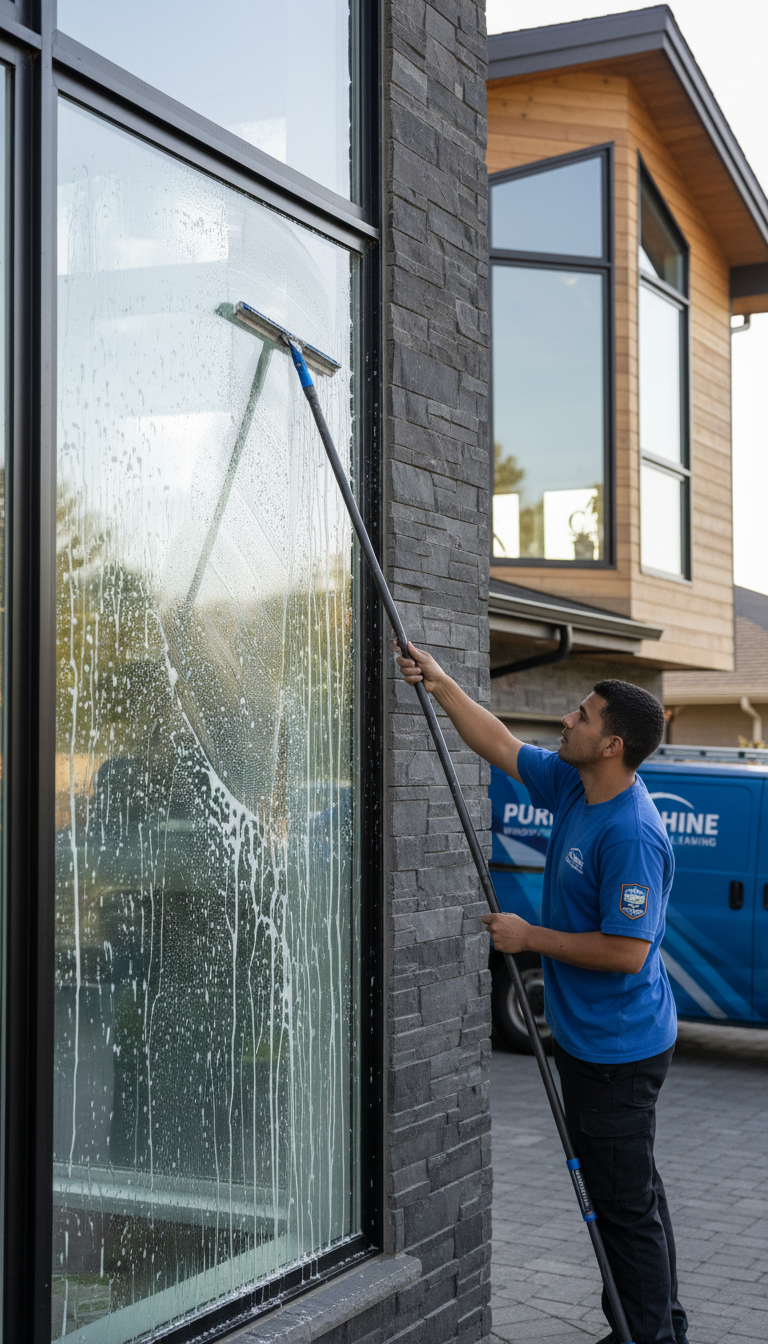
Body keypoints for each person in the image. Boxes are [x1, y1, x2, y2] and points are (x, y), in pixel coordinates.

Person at [395, 641, 688, 1344]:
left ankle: (647, 1337)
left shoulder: (631, 833)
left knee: (622, 1207)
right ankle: (652, 1325)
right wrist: (440, 683)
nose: (566, 719)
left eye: (581, 716)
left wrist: (530, 938)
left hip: (619, 1051)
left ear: (611, 744)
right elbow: (497, 742)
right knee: (634, 1197)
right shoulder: (574, 783)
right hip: (595, 1041)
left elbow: (627, 951)